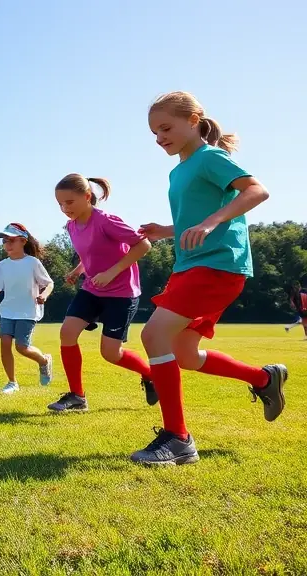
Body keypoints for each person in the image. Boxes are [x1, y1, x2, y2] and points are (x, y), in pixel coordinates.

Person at [133, 91, 286, 465]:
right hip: (190, 267)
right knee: (185, 354)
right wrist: (166, 231)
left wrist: (213, 221)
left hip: (217, 266)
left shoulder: (210, 157)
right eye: (154, 133)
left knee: (153, 335)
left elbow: (257, 190)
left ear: (193, 120)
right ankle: (264, 379)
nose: (160, 138)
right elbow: (194, 220)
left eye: (166, 128)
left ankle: (178, 439)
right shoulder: (178, 170)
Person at [48, 175, 156, 413]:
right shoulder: (71, 226)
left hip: (122, 293)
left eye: (69, 202)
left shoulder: (106, 221)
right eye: (60, 204)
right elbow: (91, 254)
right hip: (92, 289)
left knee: (110, 353)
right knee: (67, 333)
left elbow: (143, 245)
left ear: (87, 197)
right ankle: (77, 396)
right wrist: (77, 271)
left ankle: (150, 374)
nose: (65, 209)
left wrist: (112, 272)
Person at [0, 223, 54, 394]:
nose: (7, 245)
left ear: (23, 241)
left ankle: (43, 361)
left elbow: (49, 283)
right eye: (5, 241)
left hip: (27, 312)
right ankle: (12, 383)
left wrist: (44, 295)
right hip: (7, 311)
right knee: (4, 343)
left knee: (21, 347)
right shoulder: (3, 265)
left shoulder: (32, 263)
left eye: (11, 240)